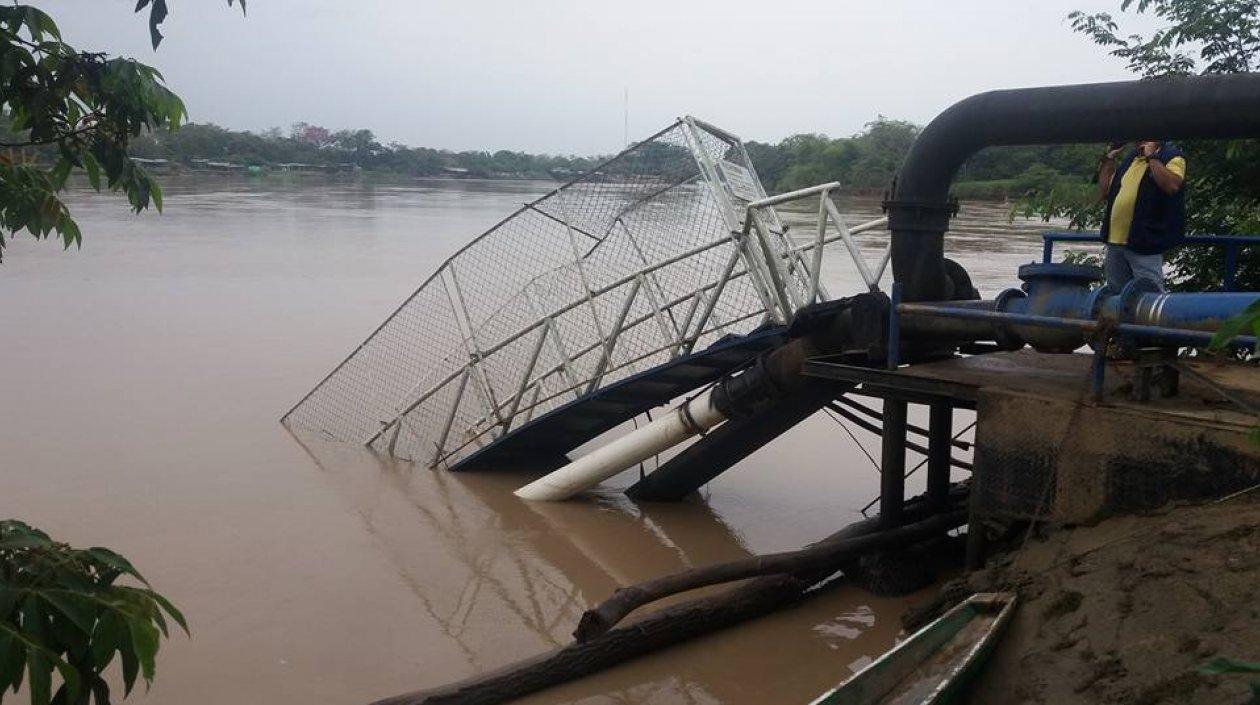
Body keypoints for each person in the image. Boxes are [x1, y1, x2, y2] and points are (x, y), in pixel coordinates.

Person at [1097, 140, 1187, 292]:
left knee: (1149, 293)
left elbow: (1172, 186)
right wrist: (1109, 158)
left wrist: (1152, 157)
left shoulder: (1173, 157)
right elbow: (1105, 191)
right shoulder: (1130, 159)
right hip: (1115, 242)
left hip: (1145, 242)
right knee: (1116, 296)